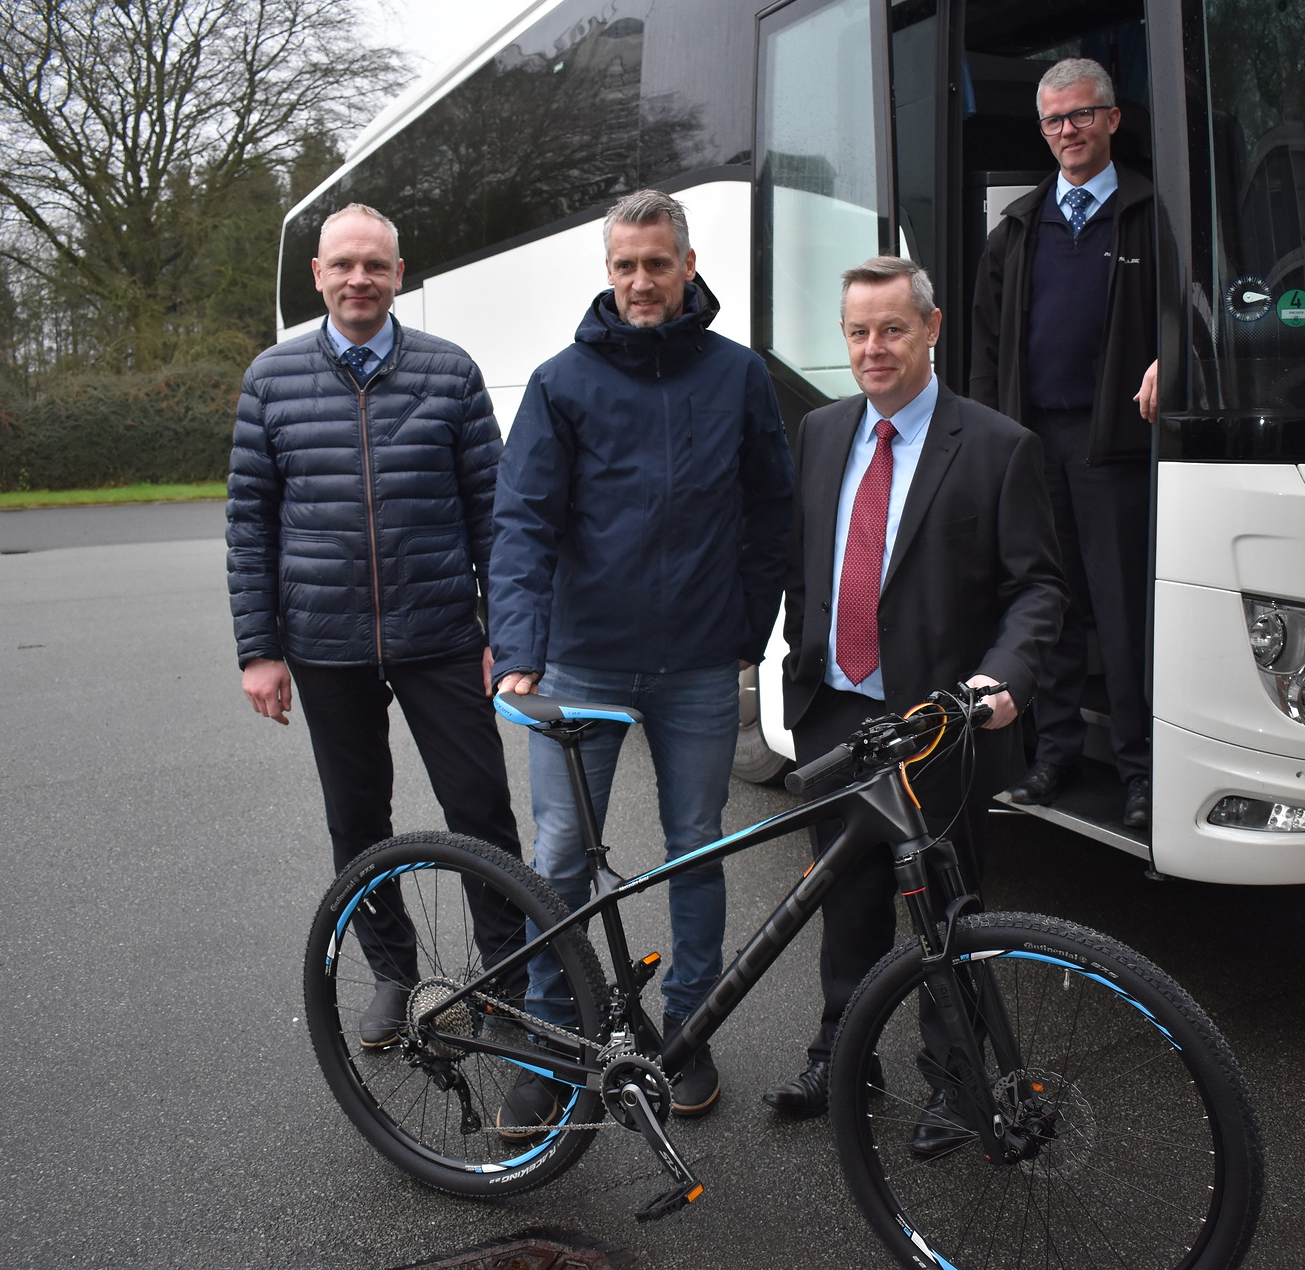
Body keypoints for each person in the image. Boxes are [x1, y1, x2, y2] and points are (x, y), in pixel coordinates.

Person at [489, 188, 793, 1131]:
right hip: (581, 664)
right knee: (560, 857)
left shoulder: (738, 376)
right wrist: (521, 647)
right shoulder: (561, 382)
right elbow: (523, 521)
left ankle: (687, 1029)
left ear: (689, 265)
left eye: (657, 263)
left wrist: (747, 628)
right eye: (624, 265)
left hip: (699, 665)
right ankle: (549, 1040)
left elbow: (770, 509)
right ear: (607, 270)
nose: (639, 281)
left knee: (696, 852)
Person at [767, 256, 1065, 1149]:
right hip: (836, 712)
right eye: (858, 332)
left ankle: (955, 1079)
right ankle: (842, 1054)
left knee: (946, 907)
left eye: (893, 329)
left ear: (931, 330)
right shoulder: (821, 431)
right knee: (843, 896)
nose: (874, 348)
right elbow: (803, 562)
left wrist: (1005, 677)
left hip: (934, 723)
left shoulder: (999, 446)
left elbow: (1039, 589)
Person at [226, 202, 525, 1048]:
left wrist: (505, 629)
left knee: (482, 812)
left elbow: (492, 516)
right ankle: (394, 974)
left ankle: (506, 978)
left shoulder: (450, 373)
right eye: (344, 264)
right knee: (357, 821)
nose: (360, 278)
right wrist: (260, 650)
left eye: (377, 265)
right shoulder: (271, 379)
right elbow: (250, 522)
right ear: (317, 276)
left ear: (400, 275)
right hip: (326, 643)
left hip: (441, 637)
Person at [970, 56, 1159, 829]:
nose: (1068, 131)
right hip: (1030, 441)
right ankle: (1052, 759)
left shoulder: (1155, 214)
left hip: (1112, 444)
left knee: (1123, 615)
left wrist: (1172, 357)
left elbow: (1200, 303)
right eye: (1054, 120)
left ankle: (1141, 773)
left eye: (1082, 115)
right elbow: (985, 344)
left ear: (1113, 119)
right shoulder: (1018, 225)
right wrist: (987, 439)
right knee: (1050, 606)